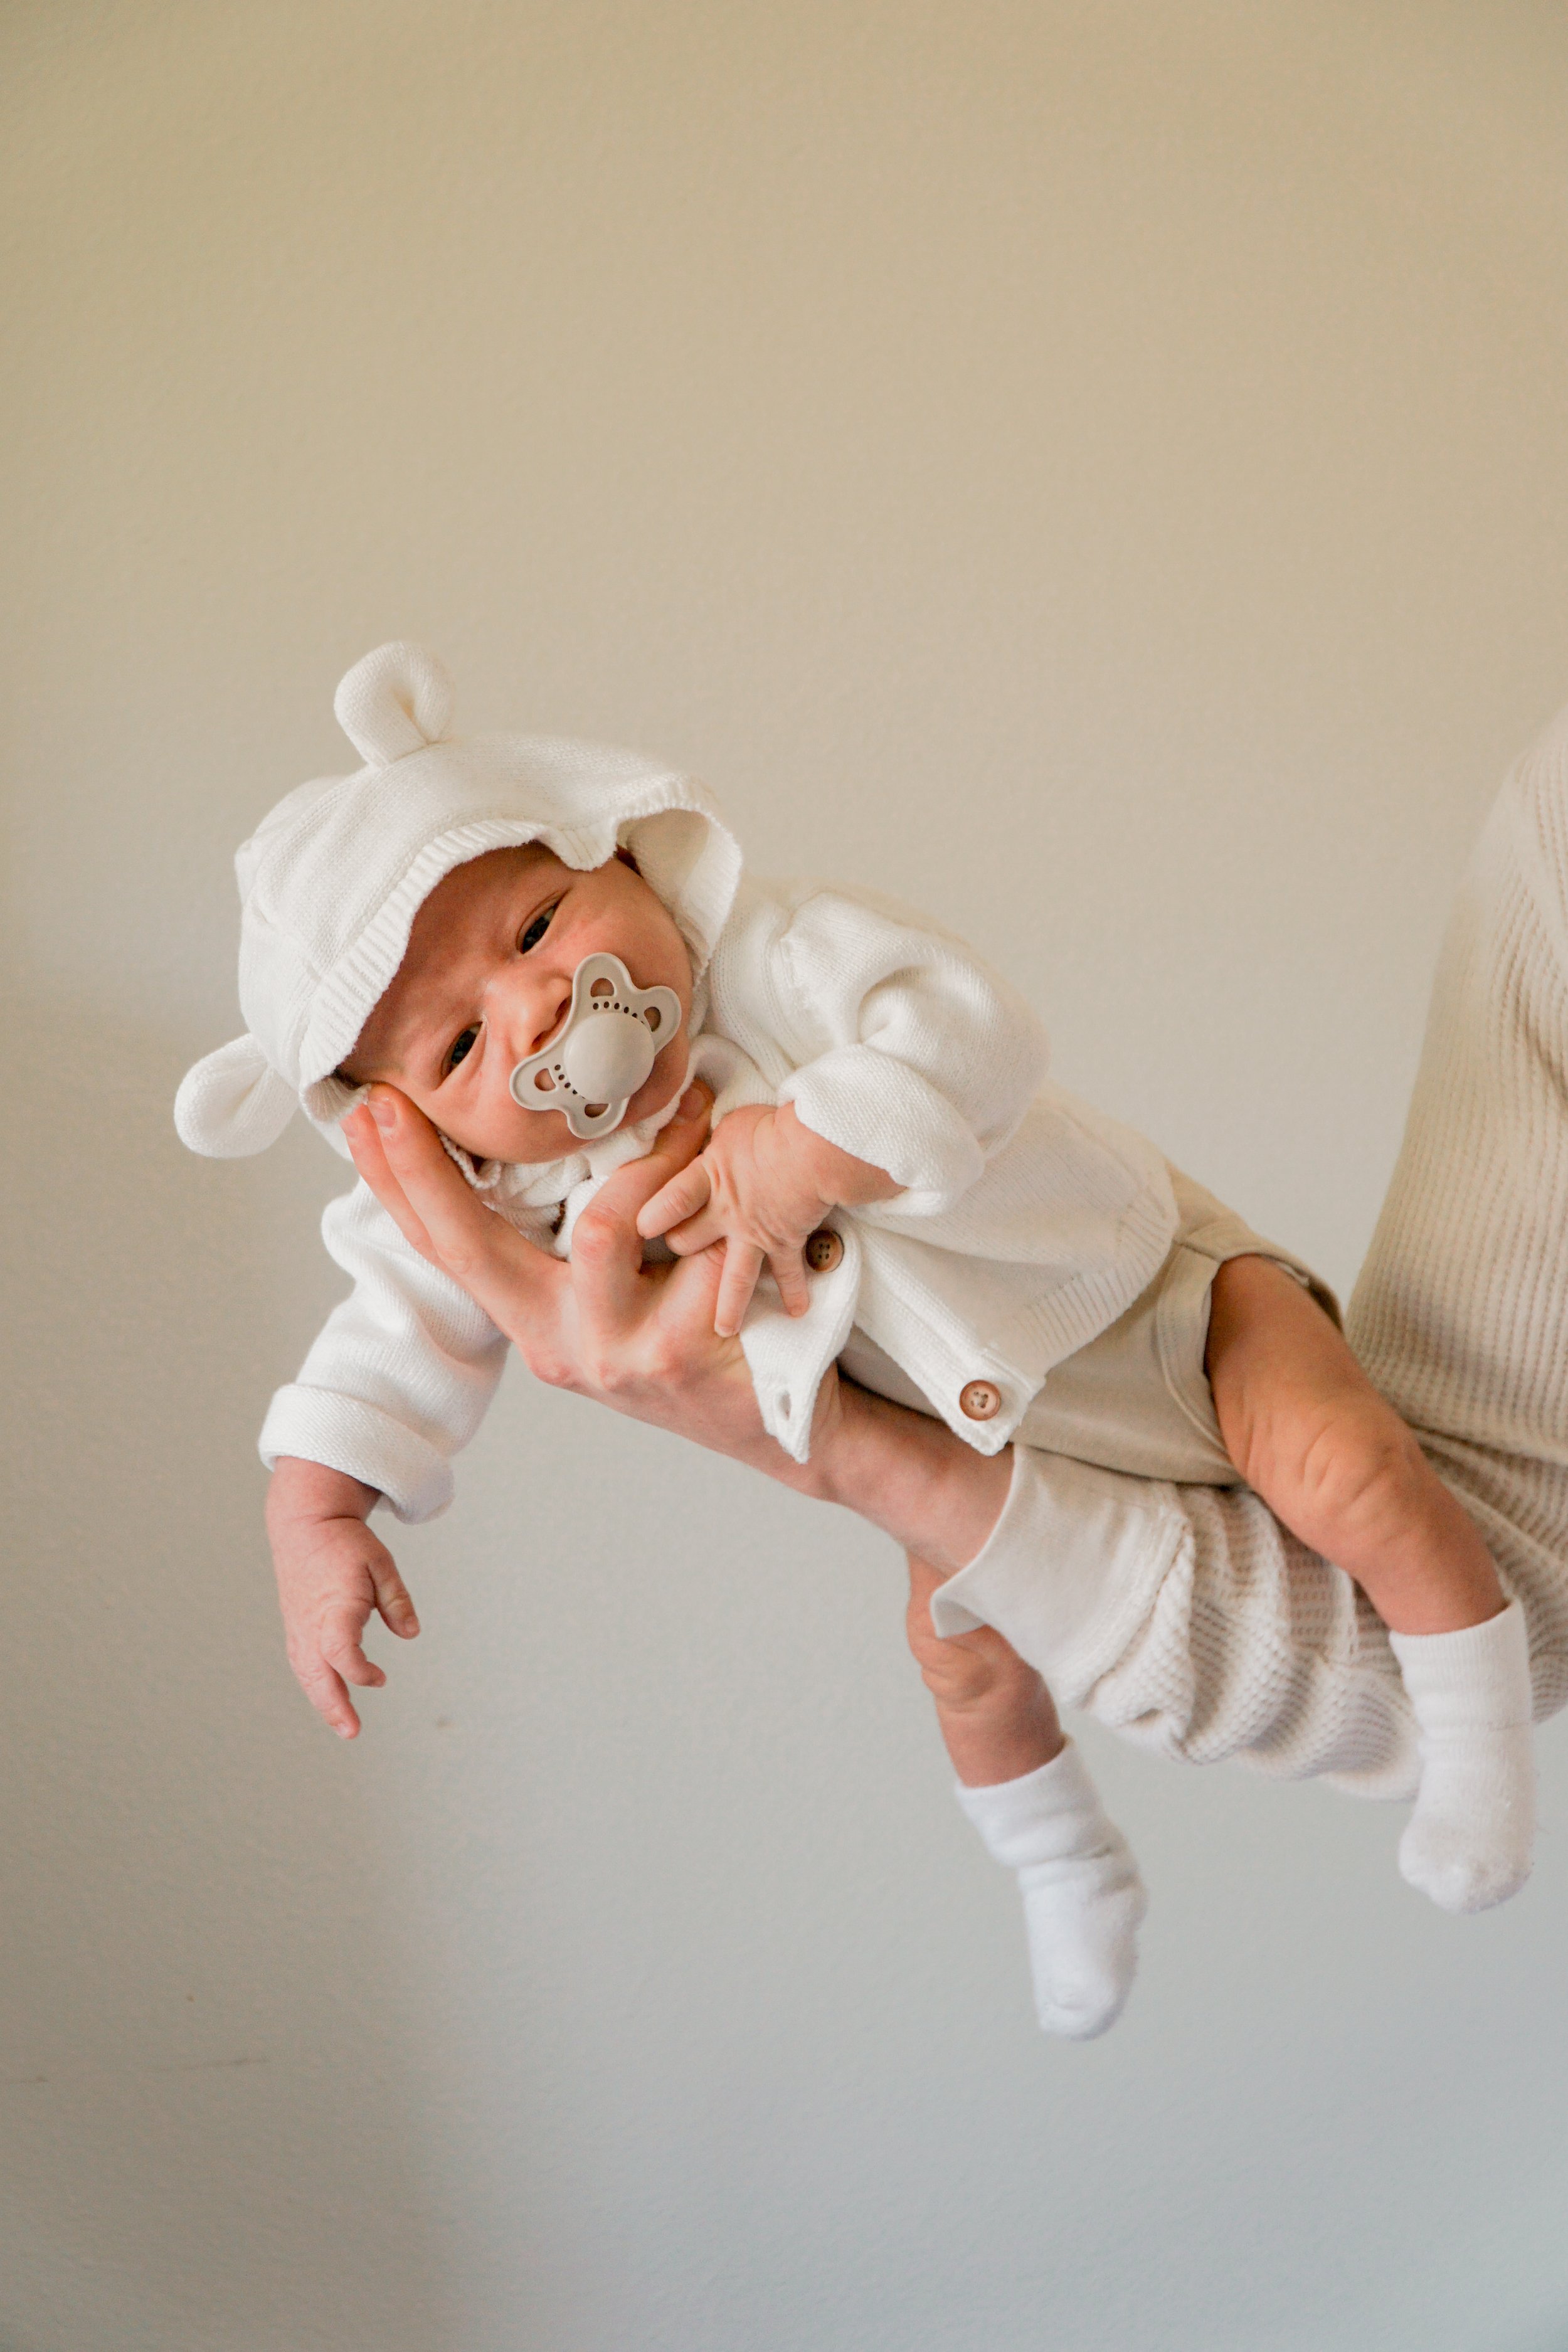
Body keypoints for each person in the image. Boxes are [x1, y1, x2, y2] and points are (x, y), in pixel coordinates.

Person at [177, 644, 1559, 2039]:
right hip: (987, 1441)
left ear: (618, 857)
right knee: (958, 1660)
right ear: (416, 1128)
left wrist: (816, 1145)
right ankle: (1061, 1863)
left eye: (535, 929)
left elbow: (969, 1030)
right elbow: (384, 1337)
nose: (532, 1010)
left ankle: (1480, 1743)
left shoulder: (777, 960)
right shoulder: (513, 1205)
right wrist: (318, 1504)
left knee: (1348, 1470)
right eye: (460, 1048)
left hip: (1159, 1316)